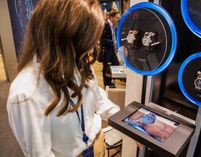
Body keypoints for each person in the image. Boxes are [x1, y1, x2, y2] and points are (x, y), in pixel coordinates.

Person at [6, 0, 120, 157]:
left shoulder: (78, 61)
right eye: (88, 41)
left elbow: (97, 97)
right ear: (64, 37)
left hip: (98, 142)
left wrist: (127, 124)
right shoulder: (27, 93)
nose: (92, 49)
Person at [100, 10, 120, 88]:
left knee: (116, 64)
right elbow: (102, 40)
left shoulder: (114, 26)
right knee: (106, 67)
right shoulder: (105, 25)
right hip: (106, 50)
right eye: (116, 17)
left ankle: (110, 81)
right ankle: (107, 84)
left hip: (112, 50)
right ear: (111, 17)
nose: (118, 19)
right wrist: (113, 42)